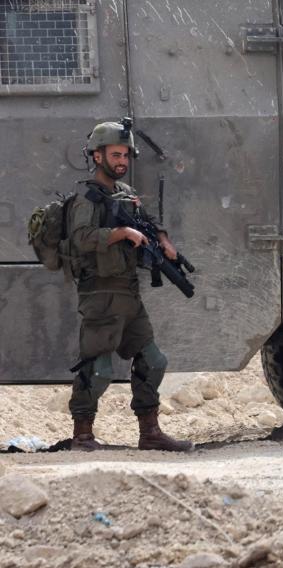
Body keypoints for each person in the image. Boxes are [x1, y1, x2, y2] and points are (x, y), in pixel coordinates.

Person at [65, 121, 193, 452]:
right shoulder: (86, 199)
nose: (122, 161)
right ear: (97, 156)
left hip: (128, 293)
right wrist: (121, 234)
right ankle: (82, 435)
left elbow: (148, 223)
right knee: (100, 368)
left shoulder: (125, 194)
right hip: (101, 294)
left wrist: (162, 239)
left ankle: (150, 432)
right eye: (115, 155)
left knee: (154, 361)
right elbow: (80, 238)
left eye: (125, 155)